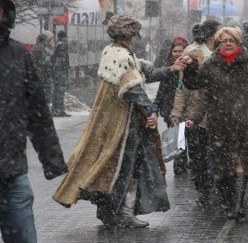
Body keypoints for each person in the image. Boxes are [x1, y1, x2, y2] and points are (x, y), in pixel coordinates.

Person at [53, 14, 191, 228]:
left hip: (123, 124)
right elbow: (132, 88)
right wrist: (149, 110)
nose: (134, 38)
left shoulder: (120, 53)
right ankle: (120, 213)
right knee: (124, 168)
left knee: (117, 167)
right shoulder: (119, 55)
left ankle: (112, 212)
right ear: (128, 35)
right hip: (121, 126)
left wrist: (173, 68)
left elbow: (148, 72)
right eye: (132, 35)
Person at [1, 0, 68, 243]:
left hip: (13, 174)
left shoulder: (17, 55)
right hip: (12, 172)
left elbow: (38, 110)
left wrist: (51, 157)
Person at [183, 26, 248, 221]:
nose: (228, 43)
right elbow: (196, 85)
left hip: (244, 121)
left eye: (231, 40)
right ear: (218, 43)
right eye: (224, 40)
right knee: (225, 168)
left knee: (241, 164)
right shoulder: (210, 64)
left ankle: (238, 206)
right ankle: (229, 201)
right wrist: (190, 68)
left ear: (238, 41)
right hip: (219, 123)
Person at [171, 20, 221, 202]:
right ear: (210, 36)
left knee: (213, 152)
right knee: (198, 154)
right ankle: (203, 185)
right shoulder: (191, 54)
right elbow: (181, 86)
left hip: (217, 111)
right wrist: (177, 111)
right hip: (194, 111)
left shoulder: (221, 53)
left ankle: (213, 182)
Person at [153, 36, 189, 175]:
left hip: (187, 109)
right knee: (177, 138)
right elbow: (161, 91)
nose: (178, 54)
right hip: (170, 109)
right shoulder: (169, 70)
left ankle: (184, 163)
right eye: (175, 51)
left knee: (186, 138)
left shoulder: (191, 68)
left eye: (181, 51)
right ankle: (179, 167)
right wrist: (156, 107)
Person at [31, 30, 55, 106]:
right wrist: (50, 58)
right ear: (45, 39)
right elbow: (42, 60)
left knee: (46, 89)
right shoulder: (40, 48)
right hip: (41, 72)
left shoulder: (43, 47)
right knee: (44, 90)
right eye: (50, 39)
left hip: (43, 72)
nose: (50, 41)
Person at [51, 30, 70, 117]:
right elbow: (63, 58)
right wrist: (66, 67)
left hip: (56, 70)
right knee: (61, 90)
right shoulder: (63, 45)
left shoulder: (56, 44)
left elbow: (54, 57)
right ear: (64, 37)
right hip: (61, 70)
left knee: (56, 89)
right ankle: (60, 110)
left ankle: (55, 109)